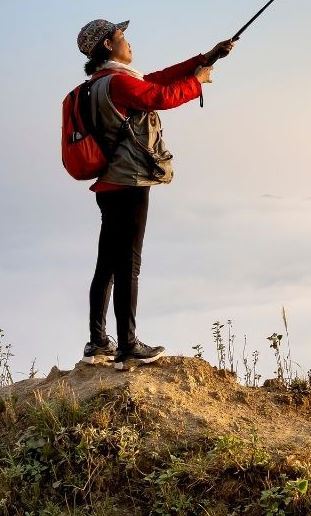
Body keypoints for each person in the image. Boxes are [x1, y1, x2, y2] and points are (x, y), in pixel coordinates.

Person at [74, 18, 235, 369]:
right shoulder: (118, 83)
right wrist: (197, 82)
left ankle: (98, 341)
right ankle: (128, 346)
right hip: (129, 181)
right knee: (128, 265)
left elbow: (155, 80)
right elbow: (160, 96)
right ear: (107, 45)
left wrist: (203, 58)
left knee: (107, 265)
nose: (128, 42)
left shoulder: (98, 85)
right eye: (122, 37)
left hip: (108, 183)